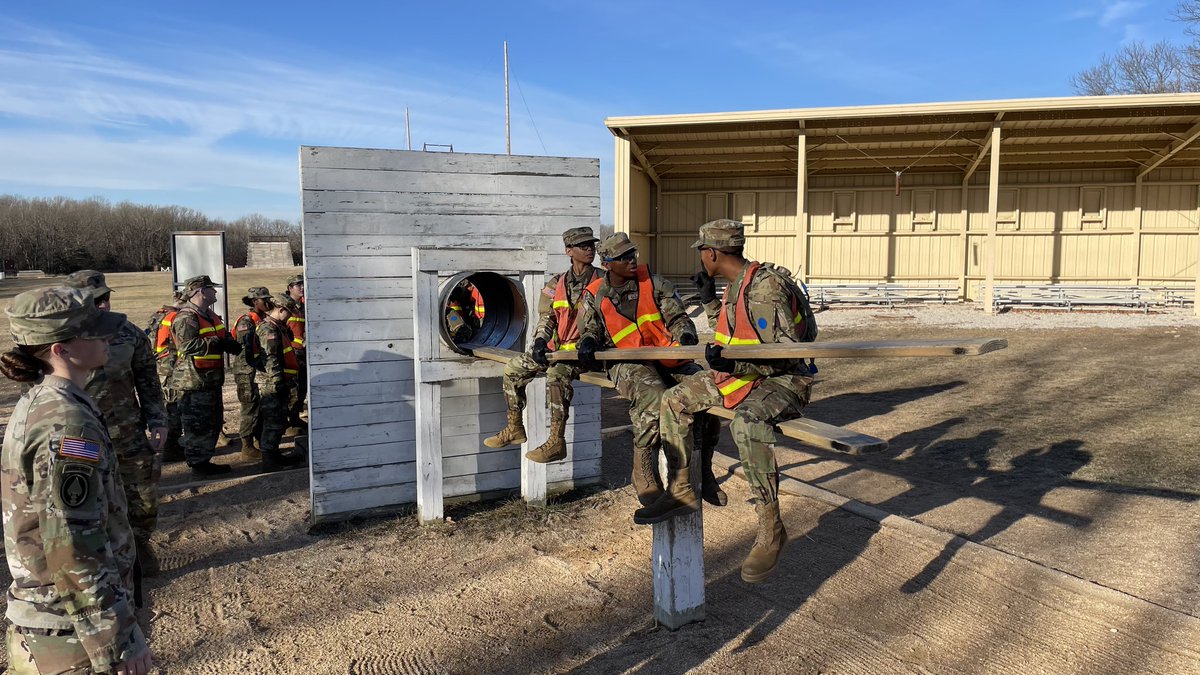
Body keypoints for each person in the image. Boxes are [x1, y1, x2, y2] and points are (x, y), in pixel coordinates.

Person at [1, 286, 154, 675]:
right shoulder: (67, 424)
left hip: (61, 625)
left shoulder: (48, 400)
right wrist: (117, 638)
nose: (108, 337)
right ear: (60, 349)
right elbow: (73, 545)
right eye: (94, 331)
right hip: (71, 636)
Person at [658, 219, 818, 584]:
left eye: (702, 252)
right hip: (745, 375)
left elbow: (786, 355)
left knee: (747, 423)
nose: (700, 258)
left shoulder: (764, 287)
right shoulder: (736, 284)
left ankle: (771, 527)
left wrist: (734, 362)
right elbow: (733, 332)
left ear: (711, 253)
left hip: (784, 380)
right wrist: (710, 301)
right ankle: (682, 486)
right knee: (675, 399)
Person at [577, 233, 722, 515]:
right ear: (607, 264)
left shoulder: (655, 283)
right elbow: (591, 329)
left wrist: (686, 335)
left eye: (633, 254)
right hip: (626, 361)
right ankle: (643, 466)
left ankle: (703, 469)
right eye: (623, 257)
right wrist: (588, 341)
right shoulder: (594, 294)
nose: (632, 260)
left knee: (705, 391)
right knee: (653, 397)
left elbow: (677, 317)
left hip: (665, 355)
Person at [65, 270, 169, 578]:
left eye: (106, 298)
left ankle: (139, 545)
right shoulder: (61, 339)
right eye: (96, 301)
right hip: (79, 435)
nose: (104, 305)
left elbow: (148, 380)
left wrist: (158, 421)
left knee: (143, 495)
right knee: (82, 497)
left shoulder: (129, 333)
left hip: (127, 431)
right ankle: (95, 561)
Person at [484, 226, 603, 462]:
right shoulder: (556, 282)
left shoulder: (603, 281)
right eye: (583, 245)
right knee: (513, 368)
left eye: (592, 245)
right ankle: (514, 427)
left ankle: (556, 442)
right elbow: (547, 317)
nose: (590, 249)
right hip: (559, 350)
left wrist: (592, 342)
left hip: (591, 352)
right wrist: (540, 341)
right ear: (569, 250)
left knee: (557, 376)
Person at [169, 274, 241, 477]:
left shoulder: (210, 315)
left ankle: (204, 460)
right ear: (200, 291)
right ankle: (198, 464)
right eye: (211, 289)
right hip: (194, 381)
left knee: (213, 421)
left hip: (210, 379)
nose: (215, 292)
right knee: (197, 424)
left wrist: (230, 343)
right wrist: (216, 343)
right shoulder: (187, 317)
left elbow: (220, 335)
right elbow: (187, 346)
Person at [256, 298, 307, 472]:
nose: (289, 318)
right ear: (281, 310)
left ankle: (274, 454)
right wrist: (278, 382)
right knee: (272, 421)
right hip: (272, 383)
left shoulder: (278, 327)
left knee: (278, 420)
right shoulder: (268, 329)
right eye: (288, 314)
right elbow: (270, 358)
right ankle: (269, 459)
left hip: (280, 381)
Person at [232, 287, 273, 461]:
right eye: (264, 299)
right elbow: (245, 350)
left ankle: (258, 439)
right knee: (250, 407)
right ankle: (247, 447)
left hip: (257, 370)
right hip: (246, 371)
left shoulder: (263, 320)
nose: (268, 302)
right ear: (254, 301)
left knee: (260, 407)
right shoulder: (246, 322)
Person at [147, 291, 185, 461]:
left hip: (160, 364)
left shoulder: (158, 315)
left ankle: (171, 444)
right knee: (173, 404)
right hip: (171, 365)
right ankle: (171, 447)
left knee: (168, 402)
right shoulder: (176, 318)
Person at [279, 274, 307, 434]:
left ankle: (295, 418)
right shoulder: (285, 306)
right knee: (292, 390)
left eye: (303, 284)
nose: (302, 288)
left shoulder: (304, 306)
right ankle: (288, 422)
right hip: (290, 354)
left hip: (303, 353)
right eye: (298, 285)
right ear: (290, 288)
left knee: (301, 388)